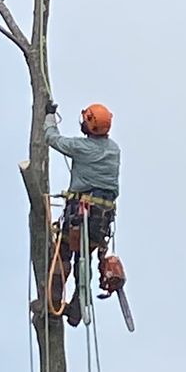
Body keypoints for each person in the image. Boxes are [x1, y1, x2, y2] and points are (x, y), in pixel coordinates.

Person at [43, 101, 120, 326]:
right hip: (101, 220)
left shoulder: (82, 148)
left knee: (63, 254)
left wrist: (48, 116)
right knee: (83, 258)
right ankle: (78, 305)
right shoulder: (114, 149)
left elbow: (52, 138)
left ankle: (53, 302)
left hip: (81, 212)